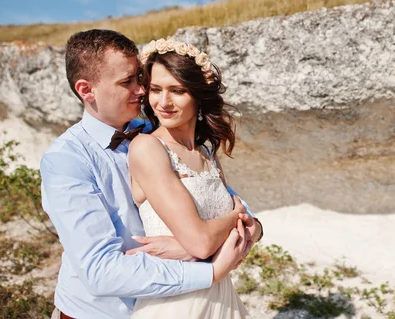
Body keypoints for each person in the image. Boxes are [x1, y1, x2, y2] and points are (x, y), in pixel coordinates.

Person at [40, 29, 258, 319]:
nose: (141, 91)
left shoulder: (157, 135)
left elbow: (234, 207)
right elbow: (100, 271)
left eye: (139, 79)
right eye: (127, 82)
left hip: (182, 300)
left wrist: (247, 229)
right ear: (86, 90)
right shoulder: (66, 161)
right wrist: (208, 268)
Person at [127, 38, 261, 318]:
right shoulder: (147, 148)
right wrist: (235, 216)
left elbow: (249, 232)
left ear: (198, 96)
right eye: (155, 89)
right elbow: (201, 243)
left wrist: (187, 247)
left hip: (222, 299)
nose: (163, 102)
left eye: (177, 90)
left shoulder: (206, 154)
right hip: (176, 304)